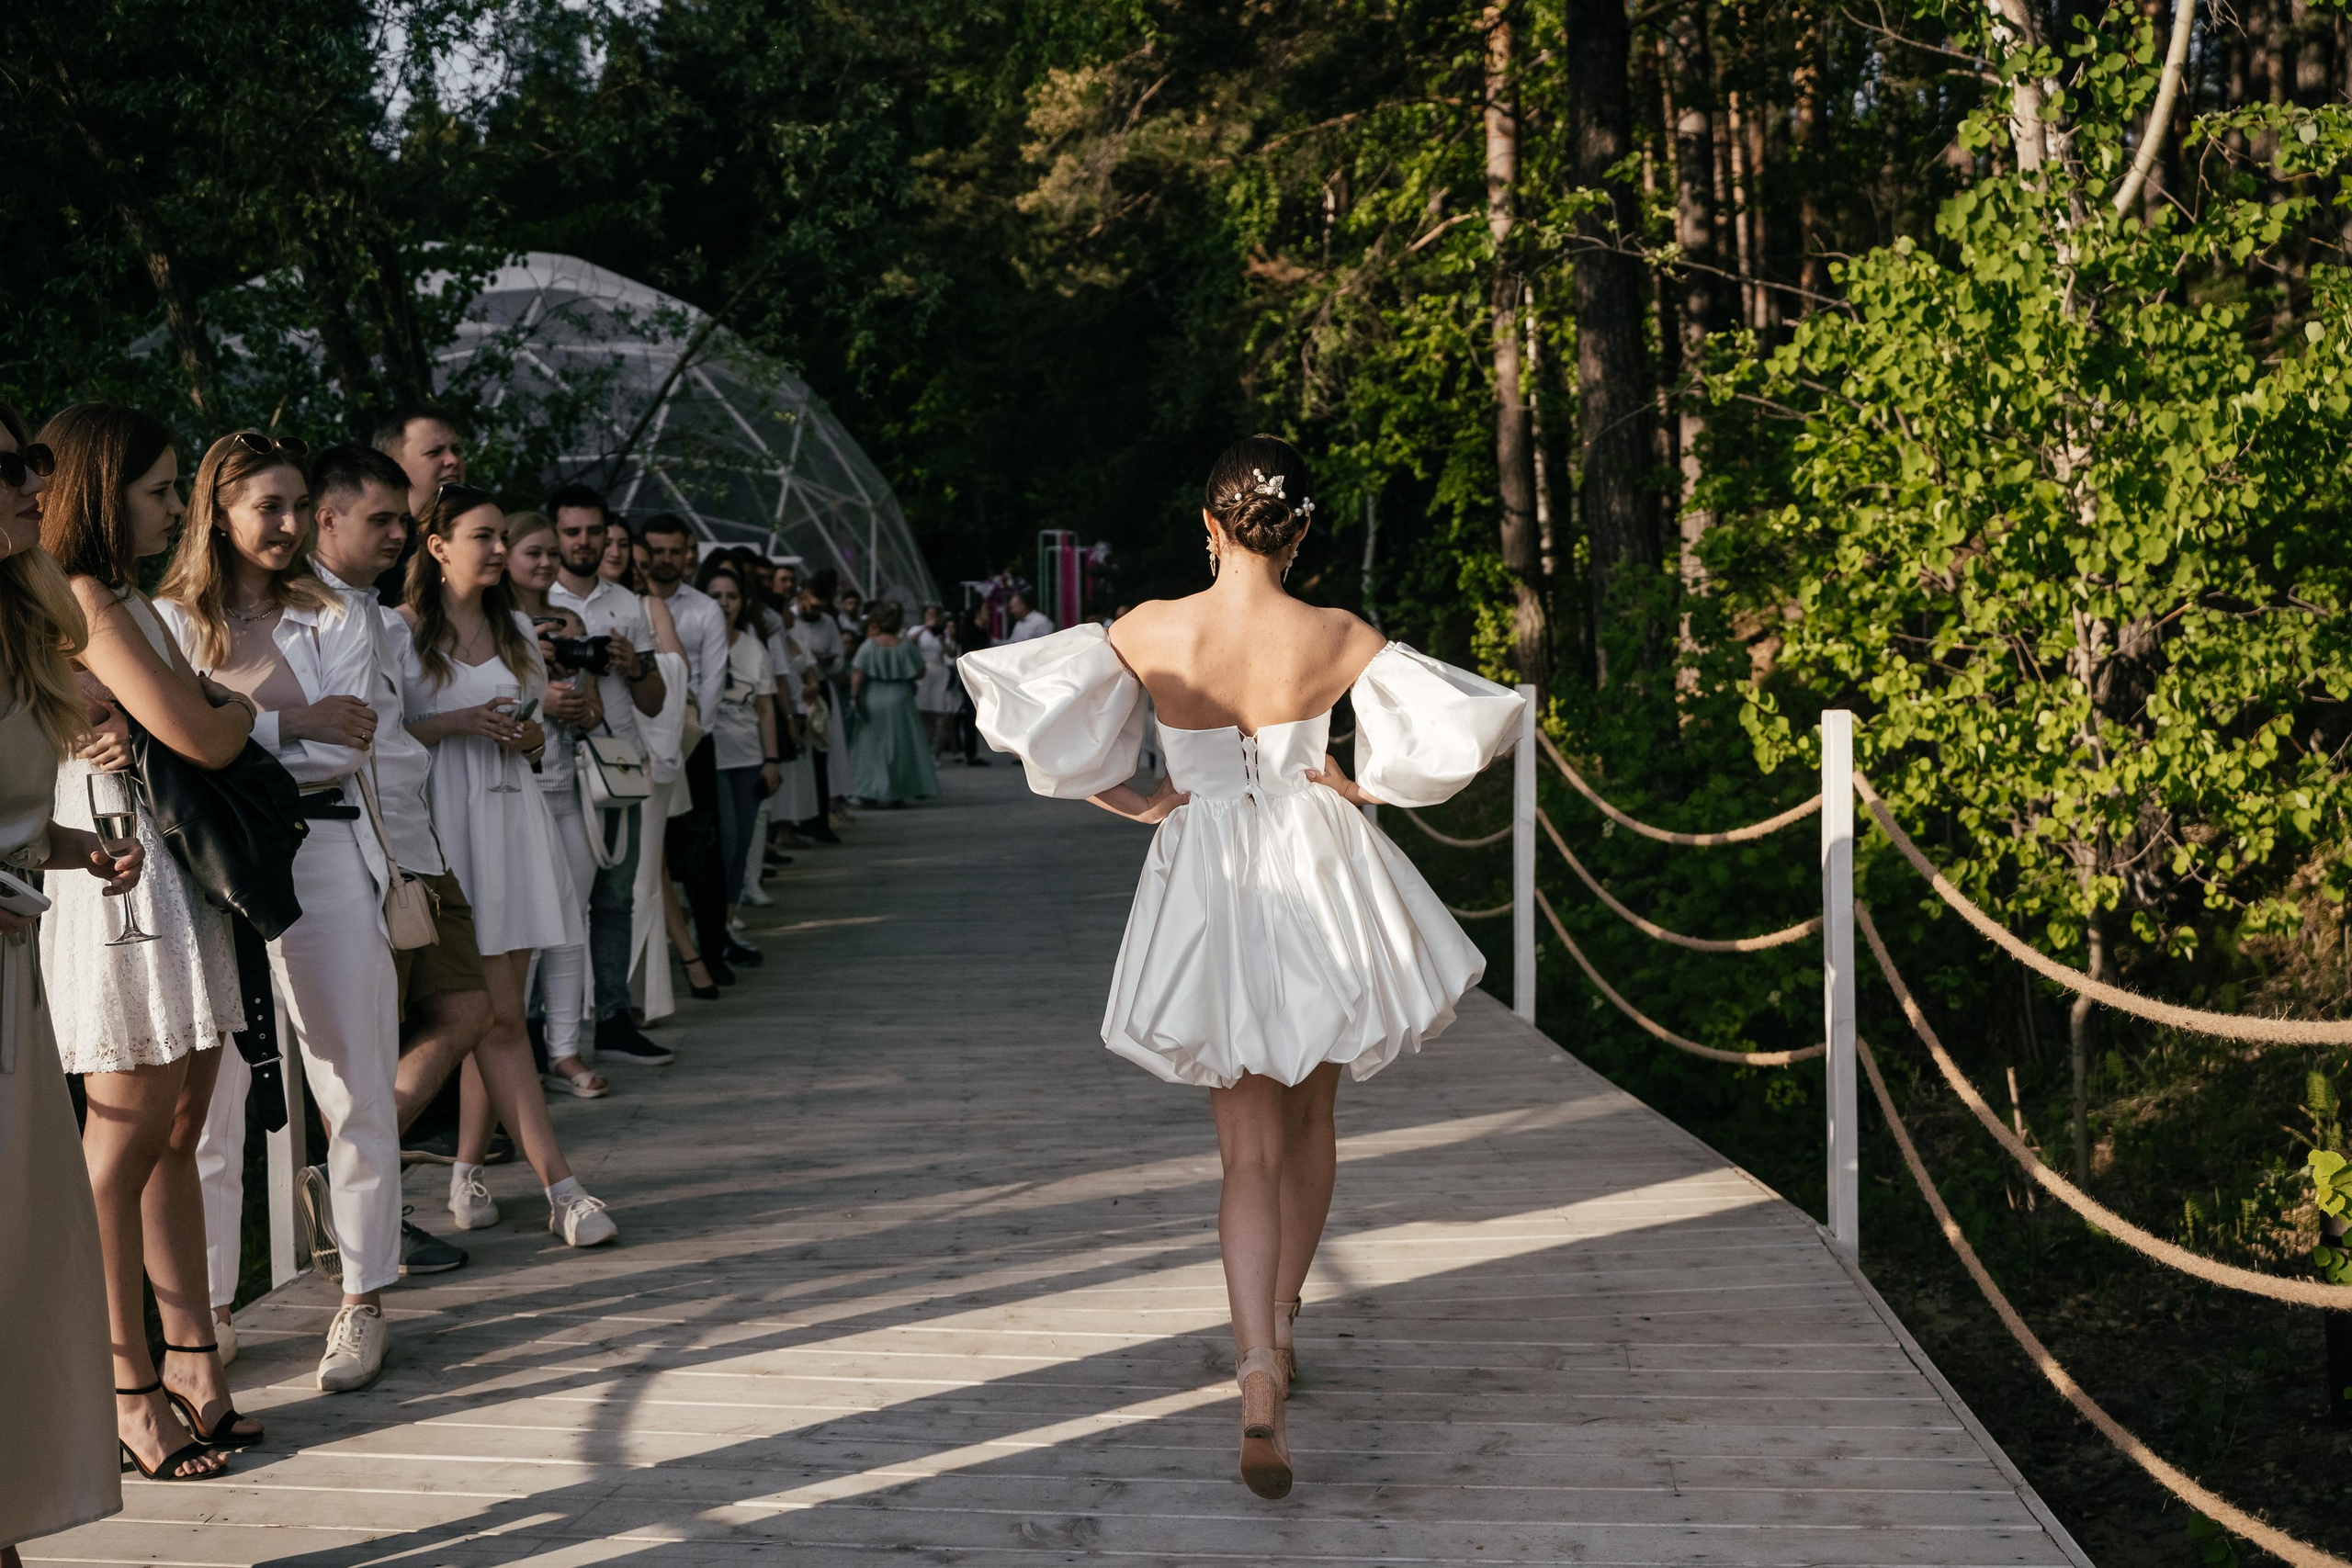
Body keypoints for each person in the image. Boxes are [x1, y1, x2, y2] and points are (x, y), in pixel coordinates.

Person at [959, 435, 1523, 1500]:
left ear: (1209, 528)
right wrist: (1359, 788)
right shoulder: (1338, 633)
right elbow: (1455, 735)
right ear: (1299, 531)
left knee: (1244, 1151)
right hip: (1319, 873)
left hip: (1209, 873)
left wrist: (1129, 799)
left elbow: (1039, 721)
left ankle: (1255, 1367)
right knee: (1313, 1120)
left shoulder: (1153, 629)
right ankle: (1284, 1324)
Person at [156, 429, 409, 1395]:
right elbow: (168, 748)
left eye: (302, 504)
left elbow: (343, 748)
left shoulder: (342, 610)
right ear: (218, 511)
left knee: (351, 1079)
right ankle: (212, 1310)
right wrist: (284, 723)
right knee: (209, 1096)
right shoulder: (170, 619)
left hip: (324, 849)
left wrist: (225, 727)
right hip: (207, 866)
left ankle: (361, 1294)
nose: (293, 524)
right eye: (270, 506)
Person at [37, 403, 257, 1477]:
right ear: (102, 491)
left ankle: (194, 1363)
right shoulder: (83, 598)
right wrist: (231, 708)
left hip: (172, 878)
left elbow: (189, 720)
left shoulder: (124, 597)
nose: (178, 510)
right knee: (120, 1145)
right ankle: (122, 1389)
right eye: (161, 490)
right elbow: (205, 735)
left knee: (181, 1128)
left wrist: (206, 705)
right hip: (117, 877)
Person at [398, 484, 618, 1248]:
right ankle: (560, 1184)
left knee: (499, 1010)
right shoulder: (401, 633)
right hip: (441, 825)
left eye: (501, 537)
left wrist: (522, 735)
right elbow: (385, 738)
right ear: (438, 546)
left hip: (511, 818)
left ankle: (467, 1172)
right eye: (483, 536)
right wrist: (457, 721)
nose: (497, 550)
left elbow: (535, 736)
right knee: (486, 1015)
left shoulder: (520, 626)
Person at [1, 402, 136, 1533]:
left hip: (12, 986)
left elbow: (8, 823)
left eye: (33, 466)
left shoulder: (14, 623)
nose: (29, 486)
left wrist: (77, 848)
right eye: (5, 470)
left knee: (26, 1267)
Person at [303, 444, 481, 1277]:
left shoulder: (371, 609)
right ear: (325, 517)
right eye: (380, 520)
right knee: (378, 1051)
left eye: (403, 523)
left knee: (466, 1008)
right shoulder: (312, 611)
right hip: (371, 853)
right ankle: (361, 1205)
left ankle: (352, 1188)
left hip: (413, 839)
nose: (399, 536)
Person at [545, 485, 671, 1063]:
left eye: (594, 532)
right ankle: (545, 1034)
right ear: (554, 535)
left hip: (617, 763)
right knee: (554, 901)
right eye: (571, 532)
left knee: (617, 900)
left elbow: (653, 700)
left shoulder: (628, 603)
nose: (583, 543)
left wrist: (633, 663)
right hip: (550, 765)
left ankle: (614, 1019)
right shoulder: (530, 596)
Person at [503, 512, 613, 1098]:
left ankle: (565, 1051)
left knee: (573, 921)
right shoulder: (489, 622)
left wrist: (574, 703)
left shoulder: (571, 620)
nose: (546, 563)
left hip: (569, 785)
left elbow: (593, 708)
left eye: (551, 553)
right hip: (516, 789)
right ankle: (513, 1054)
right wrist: (538, 697)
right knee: (519, 928)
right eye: (533, 553)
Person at [639, 515, 753, 980]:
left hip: (692, 741)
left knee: (704, 849)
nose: (665, 560)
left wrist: (691, 736)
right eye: (657, 551)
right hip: (641, 741)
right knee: (650, 852)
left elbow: (711, 680)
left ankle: (710, 950)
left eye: (673, 551)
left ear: (688, 553)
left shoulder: (704, 608)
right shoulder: (630, 603)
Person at [695, 564, 782, 931]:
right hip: (707, 757)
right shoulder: (693, 643)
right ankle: (709, 922)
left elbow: (765, 708)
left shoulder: (753, 647)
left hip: (746, 757)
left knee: (742, 841)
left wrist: (772, 760)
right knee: (722, 840)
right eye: (716, 596)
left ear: (744, 603)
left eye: (732, 596)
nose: (724, 603)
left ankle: (728, 921)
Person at [366, 406, 467, 605]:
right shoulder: (374, 547)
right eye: (434, 452)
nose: (453, 460)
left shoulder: (489, 537)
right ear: (392, 464)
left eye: (456, 450)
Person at [848, 601, 939, 807]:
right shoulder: (904, 645)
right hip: (900, 696)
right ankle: (897, 792)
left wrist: (854, 698)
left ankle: (869, 791)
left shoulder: (869, 645)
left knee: (870, 745)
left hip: (874, 694)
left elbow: (857, 673)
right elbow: (920, 671)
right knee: (899, 745)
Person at [790, 581, 845, 842]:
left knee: (821, 757)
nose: (814, 611)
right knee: (798, 760)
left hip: (819, 687)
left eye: (819, 608)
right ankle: (796, 821)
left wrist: (826, 661)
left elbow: (840, 658)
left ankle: (820, 821)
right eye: (811, 606)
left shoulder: (828, 623)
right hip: (794, 688)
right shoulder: (788, 617)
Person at [912, 604, 958, 758]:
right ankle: (922, 750)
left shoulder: (942, 632)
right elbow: (908, 641)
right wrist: (925, 628)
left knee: (937, 713)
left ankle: (934, 752)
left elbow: (951, 653)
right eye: (929, 614)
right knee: (922, 712)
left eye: (934, 614)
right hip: (924, 671)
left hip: (939, 671)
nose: (931, 616)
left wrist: (943, 639)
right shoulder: (917, 630)